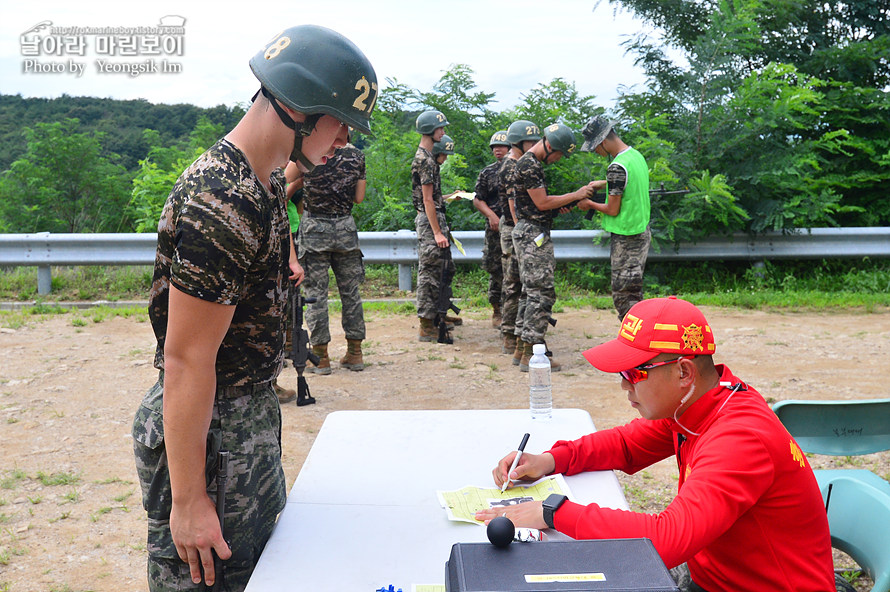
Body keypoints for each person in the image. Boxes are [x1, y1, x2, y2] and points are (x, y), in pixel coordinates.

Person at [132, 25, 377, 591]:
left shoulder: (258, 181)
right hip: (213, 436)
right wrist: (190, 502)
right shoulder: (222, 202)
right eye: (340, 121)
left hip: (243, 420)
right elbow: (187, 361)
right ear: (298, 108)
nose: (344, 139)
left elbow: (282, 180)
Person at [476, 296, 835, 592]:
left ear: (683, 372)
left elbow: (665, 541)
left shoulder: (739, 438)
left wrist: (553, 511)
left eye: (634, 373)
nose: (624, 385)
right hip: (716, 578)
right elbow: (627, 445)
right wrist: (550, 459)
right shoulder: (699, 403)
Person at [512, 123, 593, 371]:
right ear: (549, 146)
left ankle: (522, 349)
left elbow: (538, 205)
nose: (558, 159)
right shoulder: (529, 165)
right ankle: (532, 352)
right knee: (541, 293)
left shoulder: (530, 163)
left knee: (530, 291)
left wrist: (562, 205)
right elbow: (543, 201)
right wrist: (577, 194)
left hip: (529, 231)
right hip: (532, 235)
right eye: (559, 154)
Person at [297, 138, 367, 374]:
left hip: (315, 228)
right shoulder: (357, 156)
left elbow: (285, 180)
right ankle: (355, 353)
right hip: (345, 228)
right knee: (351, 292)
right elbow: (359, 198)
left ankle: (320, 357)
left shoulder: (309, 152)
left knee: (315, 294)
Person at [577, 116, 651, 321]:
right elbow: (629, 183)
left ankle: (632, 340)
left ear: (602, 142)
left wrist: (588, 204)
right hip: (641, 231)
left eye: (594, 148)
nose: (596, 152)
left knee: (623, 296)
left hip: (626, 237)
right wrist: (604, 183)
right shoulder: (635, 156)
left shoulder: (617, 167)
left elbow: (612, 209)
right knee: (635, 291)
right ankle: (641, 337)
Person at [412, 111, 463, 342]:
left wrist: (452, 196)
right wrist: (437, 232)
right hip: (429, 220)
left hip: (433, 216)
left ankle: (435, 317)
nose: (443, 132)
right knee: (429, 273)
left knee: (440, 270)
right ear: (430, 129)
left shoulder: (428, 158)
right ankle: (426, 324)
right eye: (440, 128)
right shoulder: (425, 160)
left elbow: (433, 198)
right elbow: (427, 200)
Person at [498, 120, 541, 364]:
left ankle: (516, 337)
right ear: (518, 142)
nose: (534, 146)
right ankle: (510, 336)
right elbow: (513, 204)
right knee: (514, 283)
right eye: (530, 141)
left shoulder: (516, 163)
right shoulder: (511, 165)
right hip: (514, 228)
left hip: (516, 228)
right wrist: (521, 231)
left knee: (520, 283)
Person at [473, 130, 510, 328]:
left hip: (513, 228)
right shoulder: (487, 172)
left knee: (512, 270)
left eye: (502, 146)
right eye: (495, 147)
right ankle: (497, 309)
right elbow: (478, 200)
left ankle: (512, 311)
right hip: (495, 229)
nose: (498, 149)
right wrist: (491, 215)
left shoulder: (518, 169)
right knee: (495, 268)